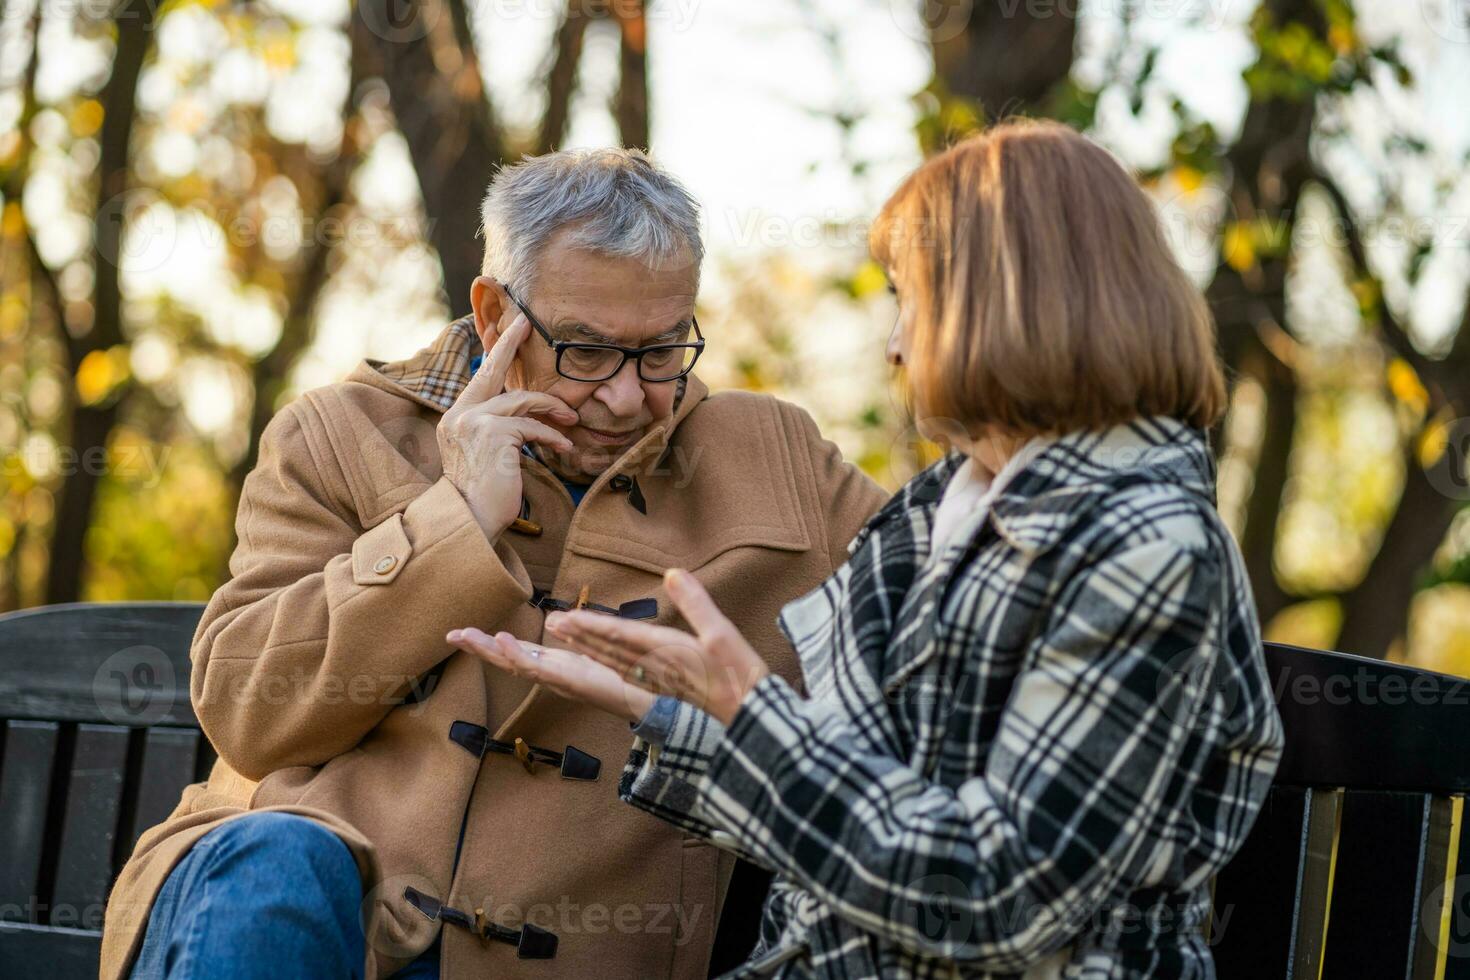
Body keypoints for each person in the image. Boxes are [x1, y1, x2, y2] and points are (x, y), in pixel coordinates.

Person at [455, 120, 1286, 978]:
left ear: (1012, 307)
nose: (894, 344)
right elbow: (859, 799)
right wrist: (659, 714)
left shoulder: (1149, 552)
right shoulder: (934, 513)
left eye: (910, 300)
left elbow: (994, 899)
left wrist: (750, 710)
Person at [101, 148, 888, 980]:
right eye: (584, 350)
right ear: (492, 313)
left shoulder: (779, 460)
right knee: (276, 860)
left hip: (596, 959)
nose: (625, 398)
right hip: (324, 932)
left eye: (661, 351)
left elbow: (958, 594)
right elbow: (247, 712)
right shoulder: (338, 434)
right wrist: (455, 521)